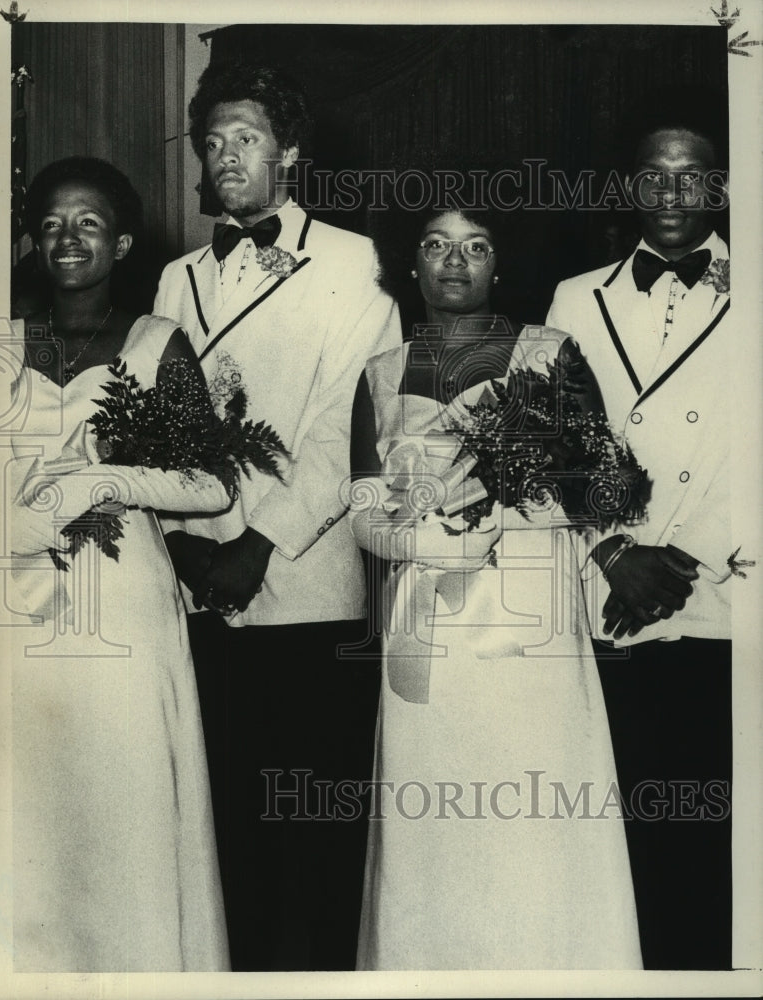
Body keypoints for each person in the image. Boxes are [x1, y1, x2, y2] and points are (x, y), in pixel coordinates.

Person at [349, 203, 643, 970]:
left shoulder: (551, 352)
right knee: (437, 821)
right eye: (436, 245)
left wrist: (504, 512)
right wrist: (427, 541)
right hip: (429, 623)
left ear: (500, 263)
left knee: (536, 812)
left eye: (475, 246)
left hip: (531, 619)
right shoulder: (380, 374)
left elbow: (603, 486)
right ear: (409, 263)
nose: (455, 262)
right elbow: (364, 511)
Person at [153, 61, 401, 970]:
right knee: (225, 827)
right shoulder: (176, 278)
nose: (226, 157)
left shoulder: (350, 259)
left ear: (289, 153)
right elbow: (151, 429)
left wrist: (258, 543)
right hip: (198, 586)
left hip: (305, 581)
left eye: (247, 139)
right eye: (212, 142)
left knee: (317, 825)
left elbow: (347, 427)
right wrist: (185, 545)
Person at [7, 157, 230, 971]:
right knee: (32, 795)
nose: (69, 238)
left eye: (90, 223)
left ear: (123, 242)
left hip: (124, 597)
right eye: (53, 224)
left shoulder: (158, 343)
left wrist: (108, 481)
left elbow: (212, 483)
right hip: (16, 599)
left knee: (121, 789)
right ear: (34, 241)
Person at [546, 93, 739, 969]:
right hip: (611, 591)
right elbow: (551, 435)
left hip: (722, 589)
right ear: (630, 188)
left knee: (717, 824)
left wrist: (685, 555)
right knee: (626, 825)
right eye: (653, 176)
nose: (671, 192)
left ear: (721, 187)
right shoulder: (575, 296)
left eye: (691, 175)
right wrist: (615, 551)